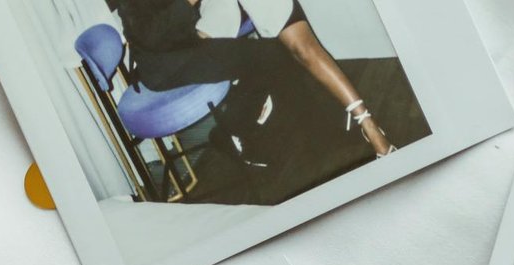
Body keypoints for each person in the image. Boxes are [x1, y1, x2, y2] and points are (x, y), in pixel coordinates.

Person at [110, 0, 393, 159]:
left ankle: (321, 130)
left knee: (274, 54)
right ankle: (238, 126)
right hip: (167, 63)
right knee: (272, 57)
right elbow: (153, 36)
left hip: (191, 39)